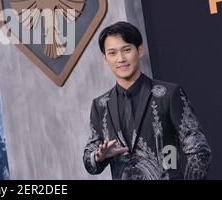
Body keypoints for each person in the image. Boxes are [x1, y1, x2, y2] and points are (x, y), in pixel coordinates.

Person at [83, 21, 211, 180]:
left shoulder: (168, 95)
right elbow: (90, 162)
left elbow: (199, 150)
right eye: (112, 53)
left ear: (140, 50)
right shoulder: (100, 105)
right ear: (105, 58)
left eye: (127, 50)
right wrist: (99, 157)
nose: (121, 59)